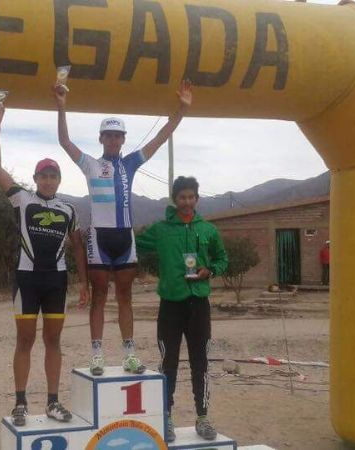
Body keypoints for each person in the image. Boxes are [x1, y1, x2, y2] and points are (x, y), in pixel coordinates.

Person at [53, 79, 193, 376]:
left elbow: (161, 137)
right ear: (101, 139)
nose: (114, 140)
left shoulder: (130, 162)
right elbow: (64, 141)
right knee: (99, 297)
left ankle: (129, 354)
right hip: (99, 238)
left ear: (123, 140)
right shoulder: (90, 164)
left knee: (126, 297)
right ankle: (97, 355)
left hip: (125, 238)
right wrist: (61, 106)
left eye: (118, 136)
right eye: (109, 136)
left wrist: (181, 110)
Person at [0, 103, 89, 427]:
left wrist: (84, 283)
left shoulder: (69, 209)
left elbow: (77, 246)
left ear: (59, 179)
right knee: (25, 340)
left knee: (53, 341)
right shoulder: (22, 198)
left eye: (53, 175)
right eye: (43, 176)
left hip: (56, 281)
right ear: (35, 179)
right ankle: (20, 403)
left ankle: (53, 402)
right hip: (27, 280)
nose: (48, 180)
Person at [136, 176, 228, 442]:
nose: (187, 202)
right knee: (168, 363)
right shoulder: (161, 230)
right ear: (174, 200)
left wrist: (210, 270)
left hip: (199, 304)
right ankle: (166, 417)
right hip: (170, 305)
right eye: (182, 197)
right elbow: (134, 244)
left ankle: (203, 417)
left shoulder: (208, 230)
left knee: (201, 363)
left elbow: (222, 259)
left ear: (197, 199)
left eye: (191, 197)